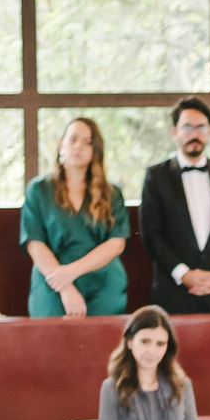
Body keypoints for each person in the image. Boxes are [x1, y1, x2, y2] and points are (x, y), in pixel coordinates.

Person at [139, 97, 210, 314]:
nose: (194, 134)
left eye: (201, 127)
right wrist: (183, 274)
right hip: (172, 292)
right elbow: (151, 234)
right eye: (187, 127)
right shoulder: (156, 176)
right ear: (175, 132)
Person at [19, 117, 129, 318]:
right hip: (53, 277)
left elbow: (116, 243)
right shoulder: (39, 190)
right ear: (62, 144)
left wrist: (73, 272)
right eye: (73, 139)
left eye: (87, 142)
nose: (79, 146)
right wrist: (65, 285)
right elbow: (35, 243)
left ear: (96, 150)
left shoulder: (111, 193)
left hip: (102, 277)